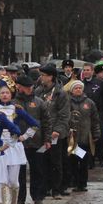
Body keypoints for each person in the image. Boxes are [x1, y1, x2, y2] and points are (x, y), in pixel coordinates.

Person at [0, 80, 38, 204]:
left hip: (14, 146)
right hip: (0, 147)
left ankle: (13, 202)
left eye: (7, 93)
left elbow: (34, 124)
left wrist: (25, 136)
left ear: (11, 94)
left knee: (13, 181)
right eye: (2, 93)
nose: (5, 95)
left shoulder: (16, 109)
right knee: (3, 180)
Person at [12, 75, 50, 204]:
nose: (30, 89)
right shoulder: (12, 104)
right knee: (19, 172)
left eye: (31, 87)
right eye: (26, 87)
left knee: (38, 169)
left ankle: (37, 195)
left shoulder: (39, 102)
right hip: (18, 142)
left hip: (36, 141)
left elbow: (46, 122)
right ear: (19, 87)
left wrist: (47, 139)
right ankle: (20, 198)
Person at [38, 66, 71, 197]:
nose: (41, 77)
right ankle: (45, 187)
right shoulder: (38, 91)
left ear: (50, 77)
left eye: (43, 75)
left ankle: (57, 188)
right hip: (43, 133)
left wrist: (57, 130)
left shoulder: (60, 93)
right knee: (43, 161)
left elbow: (64, 114)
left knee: (56, 161)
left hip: (55, 133)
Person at [67, 80, 101, 192]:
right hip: (72, 139)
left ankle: (83, 183)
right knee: (73, 162)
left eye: (80, 88)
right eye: (75, 88)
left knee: (84, 161)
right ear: (72, 90)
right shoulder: (67, 102)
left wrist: (96, 133)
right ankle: (74, 182)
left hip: (85, 138)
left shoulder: (89, 103)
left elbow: (95, 120)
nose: (78, 90)